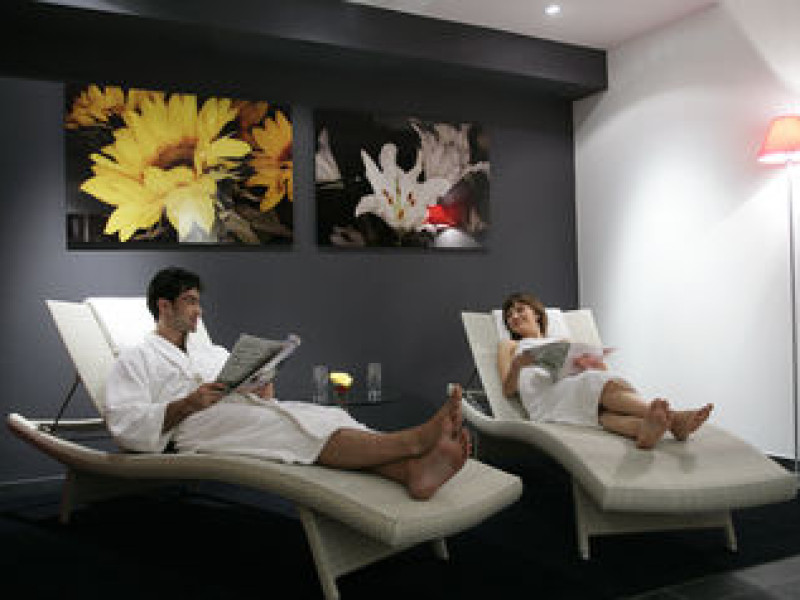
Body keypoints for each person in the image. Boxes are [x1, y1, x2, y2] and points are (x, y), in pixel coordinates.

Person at [104, 267, 470, 500]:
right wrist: (188, 404)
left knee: (323, 416)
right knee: (293, 430)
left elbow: (252, 392)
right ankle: (413, 441)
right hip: (197, 428)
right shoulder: (135, 358)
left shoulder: (211, 351)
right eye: (190, 302)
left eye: (199, 302)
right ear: (164, 306)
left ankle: (412, 472)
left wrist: (262, 383)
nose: (199, 311)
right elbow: (124, 424)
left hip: (244, 413)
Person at [497, 292, 713, 449]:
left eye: (520, 309)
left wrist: (590, 363)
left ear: (536, 314)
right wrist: (518, 365)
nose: (514, 316)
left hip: (570, 387)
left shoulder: (562, 341)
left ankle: (644, 431)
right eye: (509, 315)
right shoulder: (510, 345)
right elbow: (507, 390)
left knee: (603, 414)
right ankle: (675, 419)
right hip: (545, 399)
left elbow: (602, 372)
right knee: (592, 383)